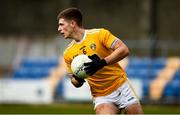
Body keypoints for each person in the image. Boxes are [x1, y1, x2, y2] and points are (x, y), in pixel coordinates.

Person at [57, 7, 144, 114]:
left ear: (72, 23)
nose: (59, 29)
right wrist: (78, 78)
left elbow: (124, 50)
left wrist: (101, 63)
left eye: (61, 24)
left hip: (121, 86)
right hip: (102, 96)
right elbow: (73, 81)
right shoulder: (68, 53)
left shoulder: (99, 34)